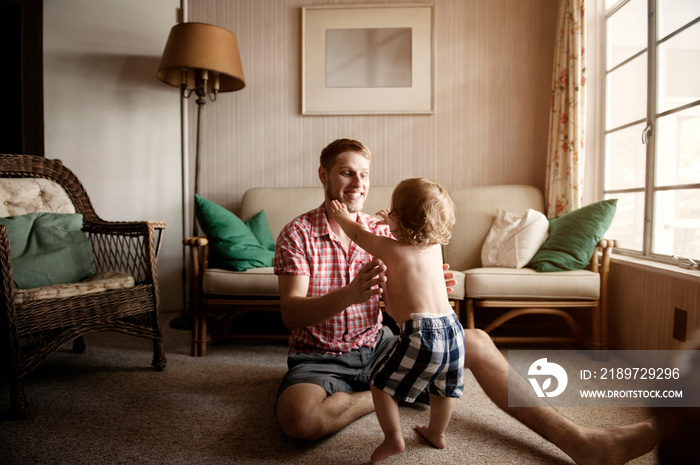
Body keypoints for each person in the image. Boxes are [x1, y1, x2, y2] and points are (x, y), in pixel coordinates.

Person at [273, 138, 658, 465]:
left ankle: (583, 442)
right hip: (321, 356)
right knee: (300, 420)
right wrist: (348, 295)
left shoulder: (383, 229)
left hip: (380, 344)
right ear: (324, 175)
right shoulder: (298, 235)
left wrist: (431, 284)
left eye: (364, 174)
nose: (358, 183)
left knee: (472, 340)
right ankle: (386, 394)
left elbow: (415, 273)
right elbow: (292, 314)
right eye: (346, 172)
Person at [330, 177, 464, 462]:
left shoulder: (389, 249)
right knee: (442, 388)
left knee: (380, 383)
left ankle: (393, 438)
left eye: (392, 211)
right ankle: (437, 432)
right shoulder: (434, 247)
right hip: (453, 328)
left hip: (421, 332)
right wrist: (391, 223)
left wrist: (342, 216)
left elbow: (358, 235)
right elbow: (407, 241)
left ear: (399, 218)